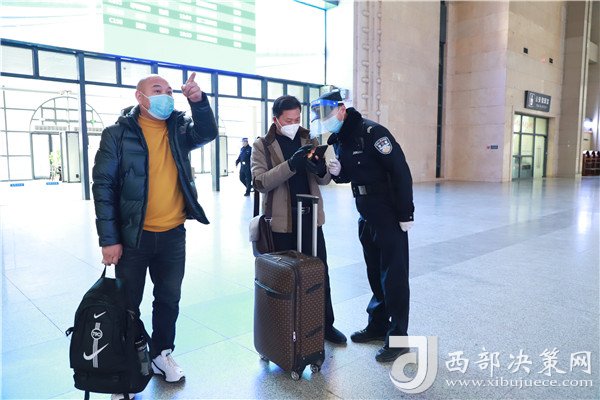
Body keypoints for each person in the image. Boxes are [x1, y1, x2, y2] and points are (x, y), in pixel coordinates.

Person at [92, 73, 218, 399]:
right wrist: (109, 238)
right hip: (133, 236)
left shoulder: (179, 129)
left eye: (169, 91)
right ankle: (126, 369)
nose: (165, 95)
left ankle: (161, 354)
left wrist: (198, 101)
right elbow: (103, 187)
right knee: (127, 305)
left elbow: (207, 132)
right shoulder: (116, 134)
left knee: (168, 299)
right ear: (140, 97)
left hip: (173, 233)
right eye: (157, 90)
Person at [311, 90, 415, 362]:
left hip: (388, 213)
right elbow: (352, 173)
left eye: (328, 114)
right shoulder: (341, 138)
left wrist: (406, 213)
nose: (326, 121)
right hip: (366, 213)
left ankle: (398, 338)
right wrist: (338, 173)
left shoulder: (372, 133)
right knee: (374, 273)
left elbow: (400, 171)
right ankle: (378, 325)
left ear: (341, 109)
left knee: (394, 277)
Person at [251, 95, 346, 344]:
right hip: (281, 222)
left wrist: (322, 170)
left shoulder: (309, 139)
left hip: (310, 218)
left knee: (319, 272)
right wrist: (291, 165)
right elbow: (260, 182)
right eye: (288, 120)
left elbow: (322, 180)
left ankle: (325, 325)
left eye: (297, 119)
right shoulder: (263, 145)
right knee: (284, 278)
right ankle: (283, 331)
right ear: (276, 120)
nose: (294, 124)